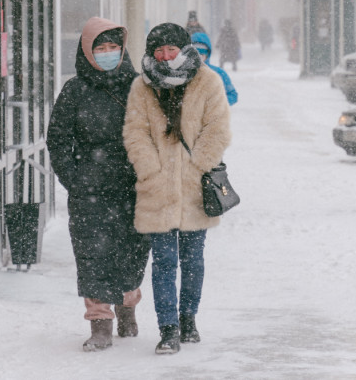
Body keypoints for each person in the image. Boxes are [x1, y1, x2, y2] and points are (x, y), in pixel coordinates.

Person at [123, 23, 231, 355]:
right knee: (164, 262)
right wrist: (151, 170)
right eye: (159, 50)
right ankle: (167, 328)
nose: (166, 56)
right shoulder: (142, 86)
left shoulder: (208, 81)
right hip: (157, 189)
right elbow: (135, 131)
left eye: (172, 49)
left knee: (193, 260)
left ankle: (188, 319)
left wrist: (198, 165)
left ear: (184, 50)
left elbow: (218, 128)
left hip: (196, 186)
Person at [46, 17, 151, 352]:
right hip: (90, 191)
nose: (107, 54)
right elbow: (58, 140)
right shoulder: (75, 91)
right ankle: (100, 322)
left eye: (113, 48)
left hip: (135, 189)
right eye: (100, 48)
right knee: (93, 255)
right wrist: (76, 179)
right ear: (87, 52)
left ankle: (127, 303)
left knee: (133, 253)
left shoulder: (140, 87)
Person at [191, 31, 238, 106]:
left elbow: (232, 95)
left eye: (202, 55)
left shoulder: (218, 73)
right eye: (195, 55)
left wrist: (217, 103)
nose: (198, 58)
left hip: (213, 115)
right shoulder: (184, 73)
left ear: (207, 55)